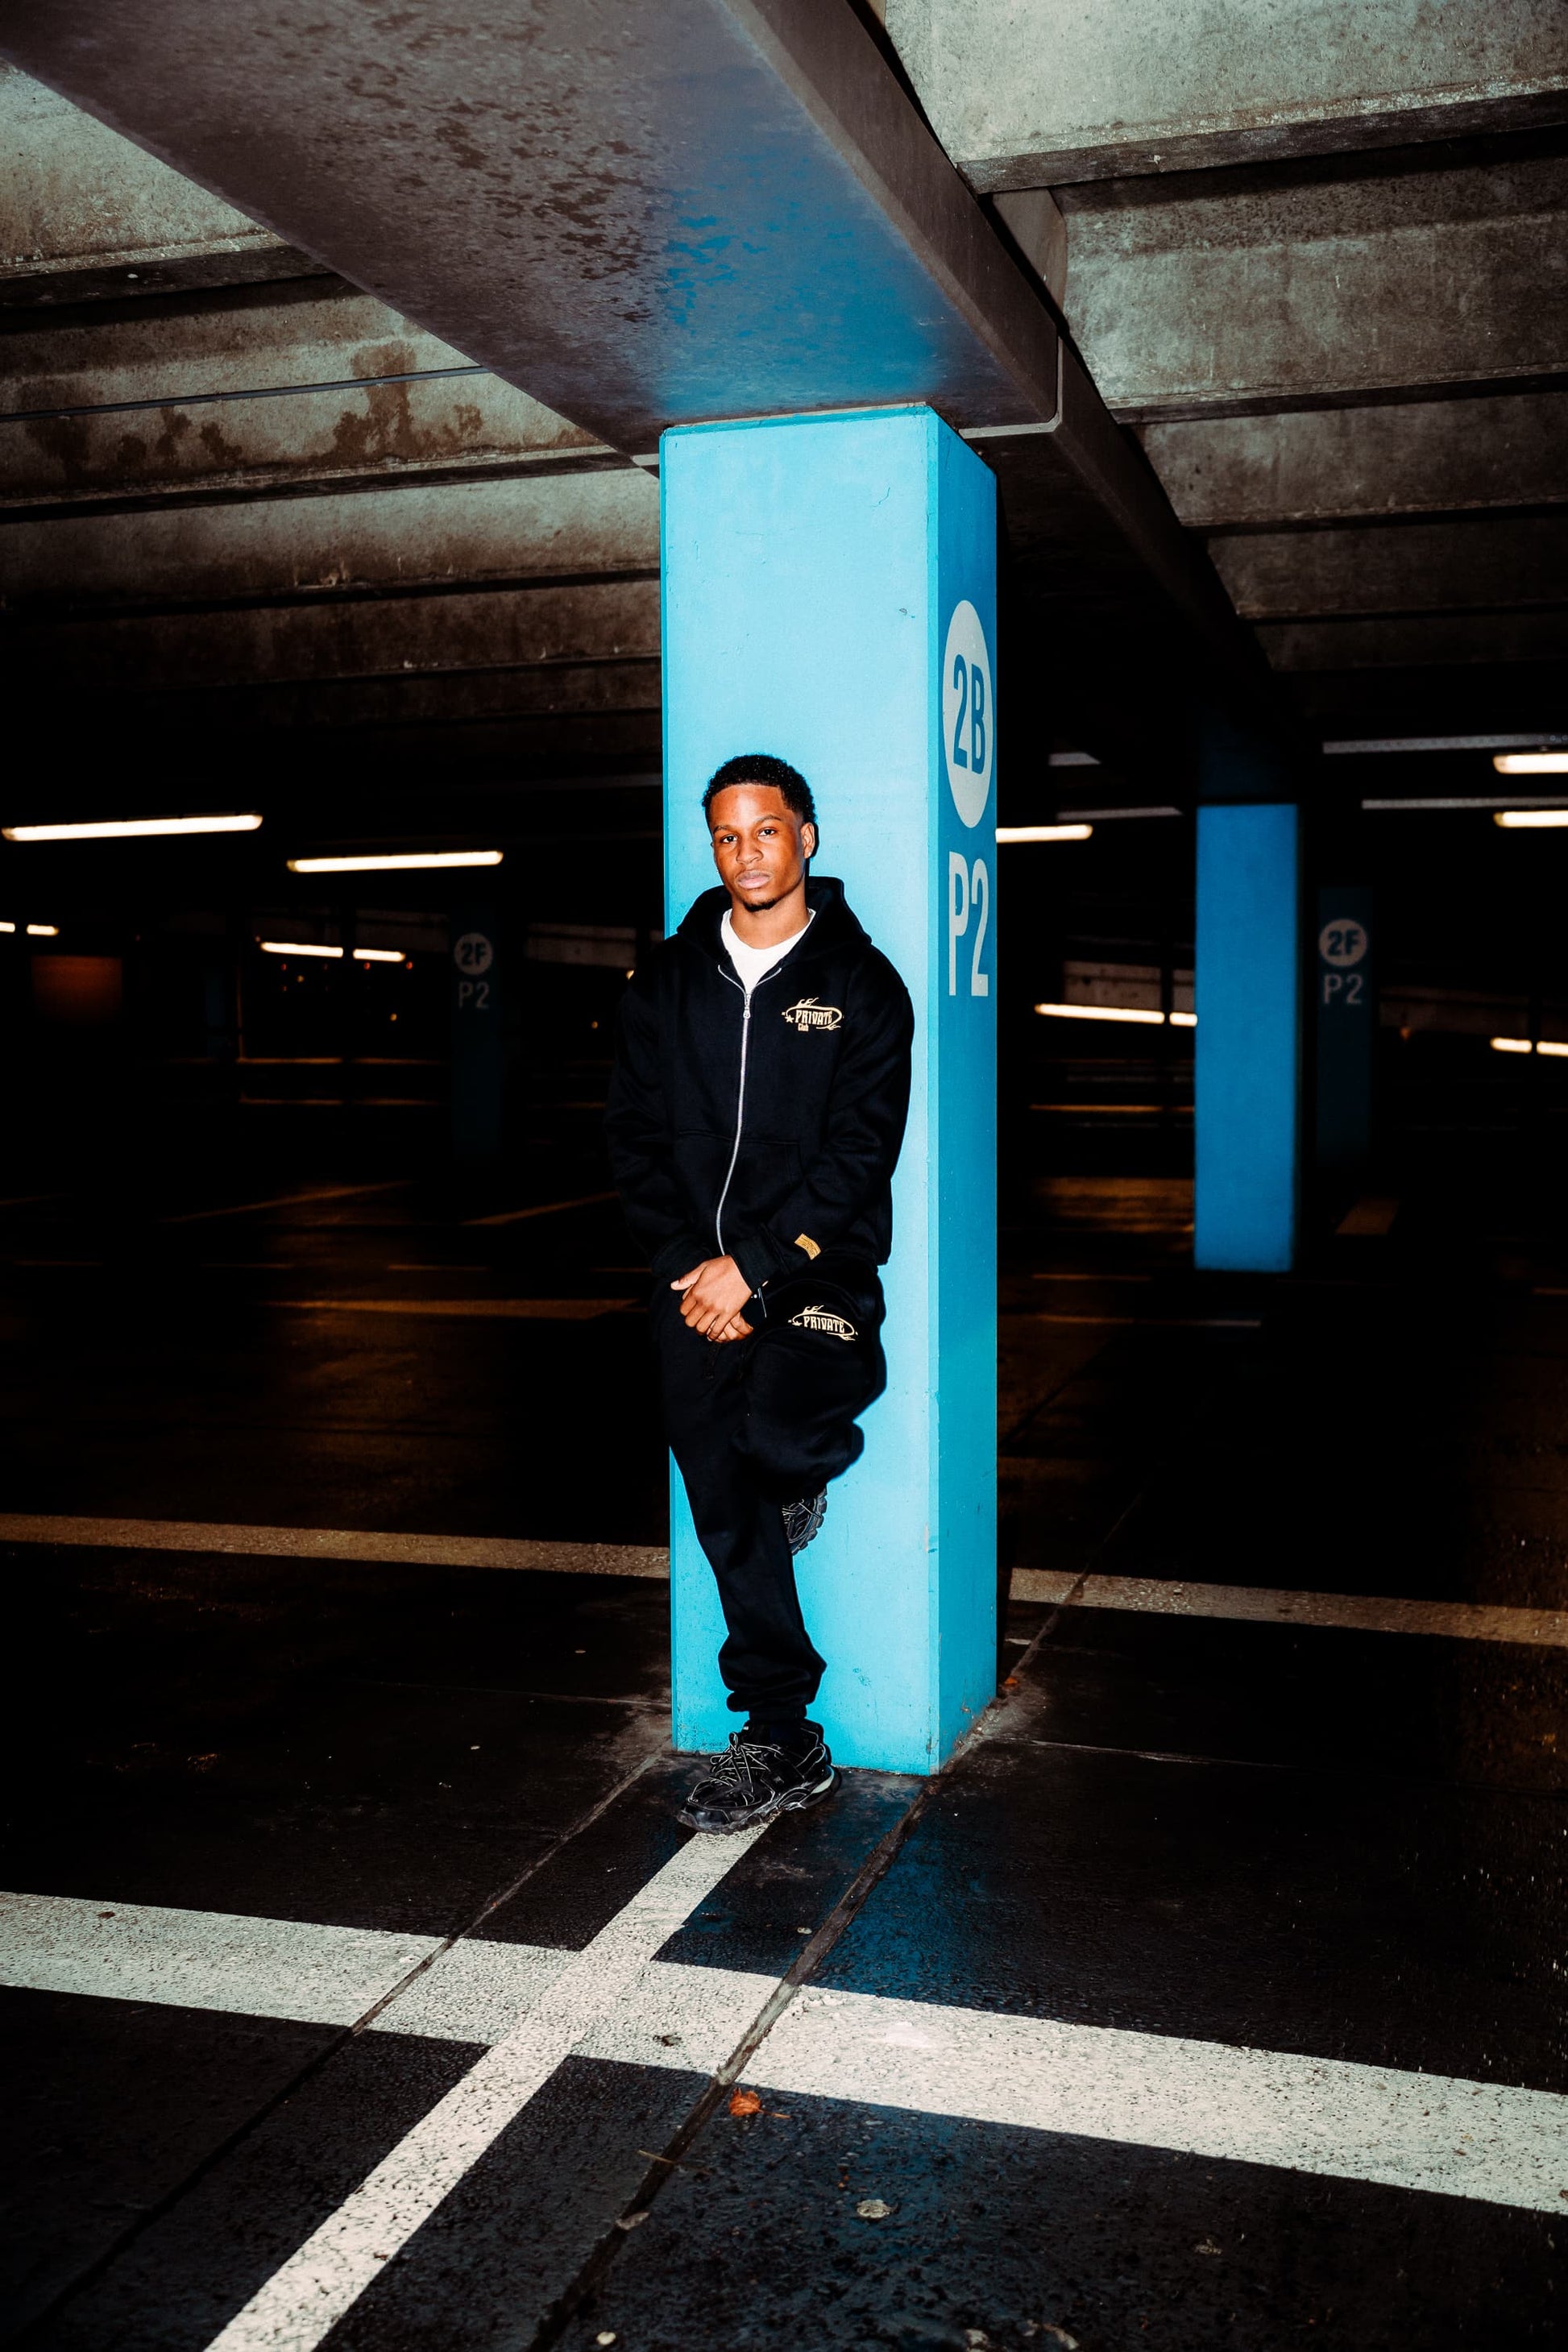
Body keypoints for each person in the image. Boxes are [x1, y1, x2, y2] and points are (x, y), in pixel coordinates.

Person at [606, 753, 914, 1831]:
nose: (747, 854)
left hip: (817, 1273)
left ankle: (798, 1475)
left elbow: (860, 1153)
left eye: (767, 831)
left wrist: (760, 1265)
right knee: (724, 1499)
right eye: (727, 836)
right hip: (694, 1281)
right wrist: (694, 1267)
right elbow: (634, 1138)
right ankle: (782, 1735)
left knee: (776, 1437)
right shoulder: (665, 982)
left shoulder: (861, 985)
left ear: (806, 836)